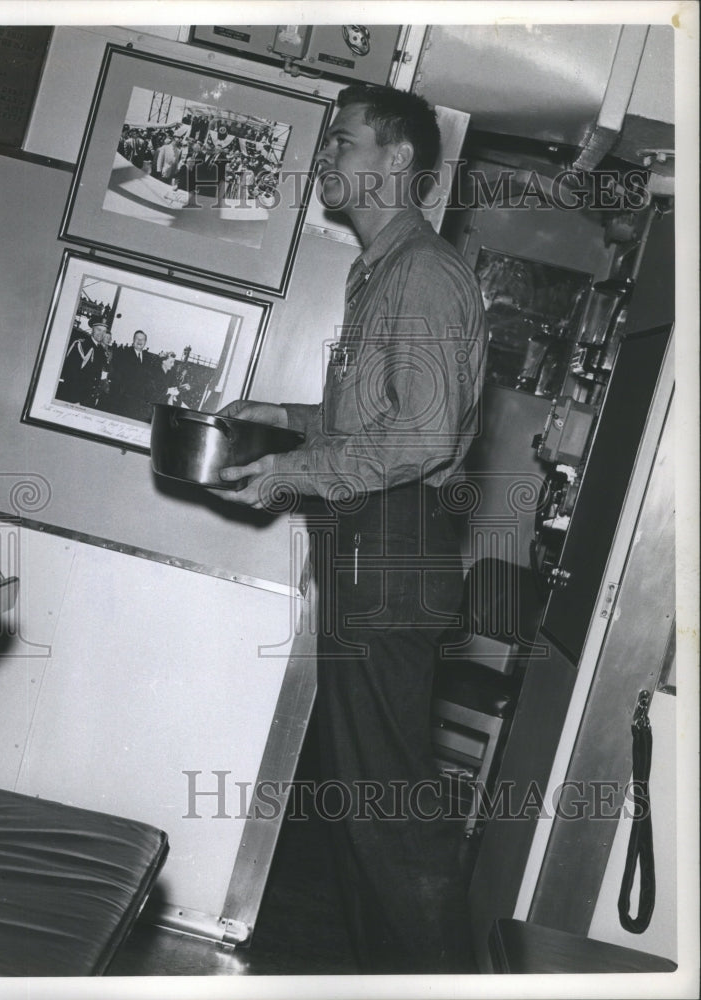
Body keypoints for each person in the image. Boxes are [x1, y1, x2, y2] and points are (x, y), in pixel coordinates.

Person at [211, 84, 488, 974]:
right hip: (369, 552)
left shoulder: (425, 274)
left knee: (389, 815)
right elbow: (373, 420)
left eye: (344, 140)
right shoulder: (382, 270)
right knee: (365, 806)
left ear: (398, 160)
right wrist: (283, 420)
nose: (326, 157)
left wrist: (292, 472)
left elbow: (424, 434)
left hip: (392, 553)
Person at [56, 318, 109, 406]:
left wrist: (95, 396)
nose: (101, 334)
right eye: (99, 330)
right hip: (75, 397)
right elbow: (70, 373)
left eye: (104, 331)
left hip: (89, 397)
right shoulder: (81, 344)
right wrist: (75, 399)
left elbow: (97, 375)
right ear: (92, 329)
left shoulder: (101, 350)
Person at [108, 330, 159, 422]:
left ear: (145, 342)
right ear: (133, 340)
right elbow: (117, 377)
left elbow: (149, 379)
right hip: (124, 402)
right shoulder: (123, 354)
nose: (140, 341)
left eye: (142, 339)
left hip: (140, 403)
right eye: (137, 339)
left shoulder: (148, 358)